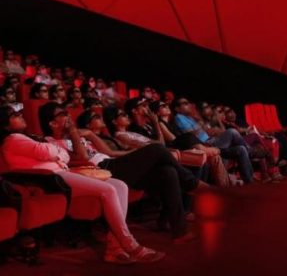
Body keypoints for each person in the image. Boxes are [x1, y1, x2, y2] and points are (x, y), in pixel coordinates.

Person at [0, 105, 165, 264]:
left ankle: (114, 249)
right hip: (51, 178)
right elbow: (50, 151)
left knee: (120, 185)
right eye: (14, 116)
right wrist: (55, 153)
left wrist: (56, 153)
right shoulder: (12, 139)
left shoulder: (26, 138)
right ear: (5, 125)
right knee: (108, 189)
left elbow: (61, 154)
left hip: (62, 173)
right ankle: (129, 243)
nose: (21, 116)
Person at [40, 102, 208, 242]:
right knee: (157, 149)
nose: (68, 116)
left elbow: (111, 153)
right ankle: (192, 184)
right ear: (52, 123)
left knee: (167, 170)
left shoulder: (79, 136)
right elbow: (83, 158)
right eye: (63, 114)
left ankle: (177, 229)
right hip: (100, 171)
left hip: (113, 163)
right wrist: (75, 133)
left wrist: (140, 155)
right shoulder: (50, 142)